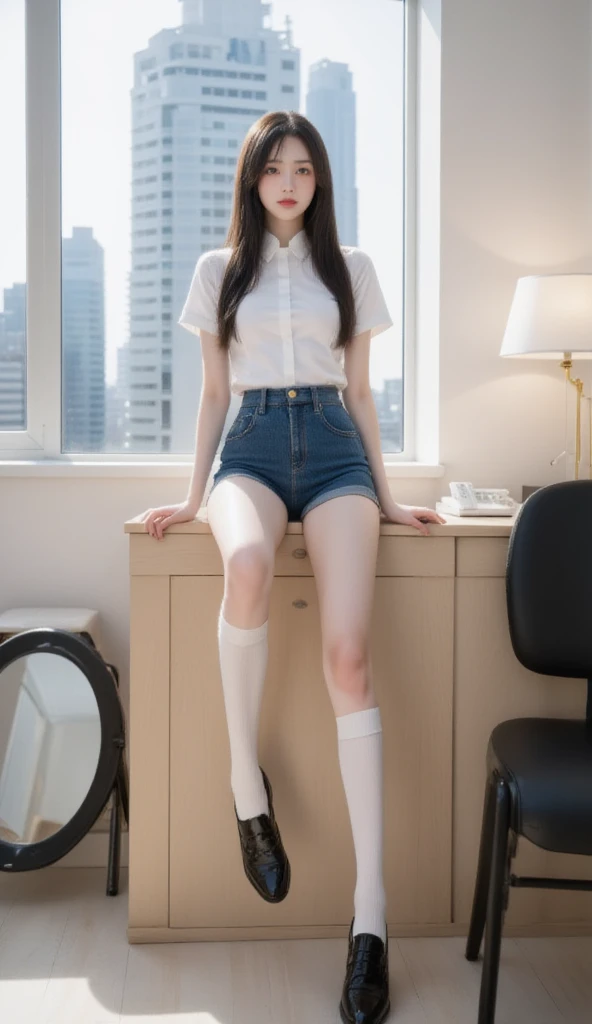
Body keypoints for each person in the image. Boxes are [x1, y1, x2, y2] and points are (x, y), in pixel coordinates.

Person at [139, 110, 444, 1024]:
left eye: (303, 167)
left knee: (348, 658)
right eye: (273, 167)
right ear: (251, 178)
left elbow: (360, 394)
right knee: (245, 566)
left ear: (319, 182)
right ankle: (247, 789)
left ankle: (372, 922)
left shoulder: (350, 270)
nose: (288, 181)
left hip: (338, 451)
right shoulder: (214, 271)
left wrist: (387, 498)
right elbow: (211, 395)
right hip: (254, 449)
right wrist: (193, 497)